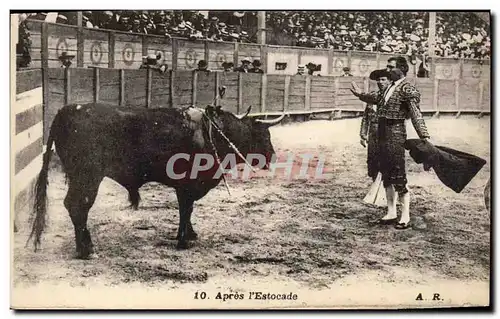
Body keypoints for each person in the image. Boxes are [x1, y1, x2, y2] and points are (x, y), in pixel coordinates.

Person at [350, 56, 431, 229]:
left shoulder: (407, 88)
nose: (387, 70)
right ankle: (391, 211)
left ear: (401, 69)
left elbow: (416, 114)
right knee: (386, 172)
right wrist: (360, 95)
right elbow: (374, 98)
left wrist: (424, 135)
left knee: (398, 172)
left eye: (390, 67)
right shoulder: (389, 87)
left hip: (395, 133)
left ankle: (405, 216)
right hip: (381, 132)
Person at [360, 69, 391, 181]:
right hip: (373, 133)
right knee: (373, 160)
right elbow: (366, 117)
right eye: (378, 80)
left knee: (387, 161)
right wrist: (363, 134)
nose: (380, 82)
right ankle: (375, 184)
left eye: (383, 79)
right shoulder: (372, 97)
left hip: (387, 133)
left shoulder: (392, 98)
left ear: (389, 81)